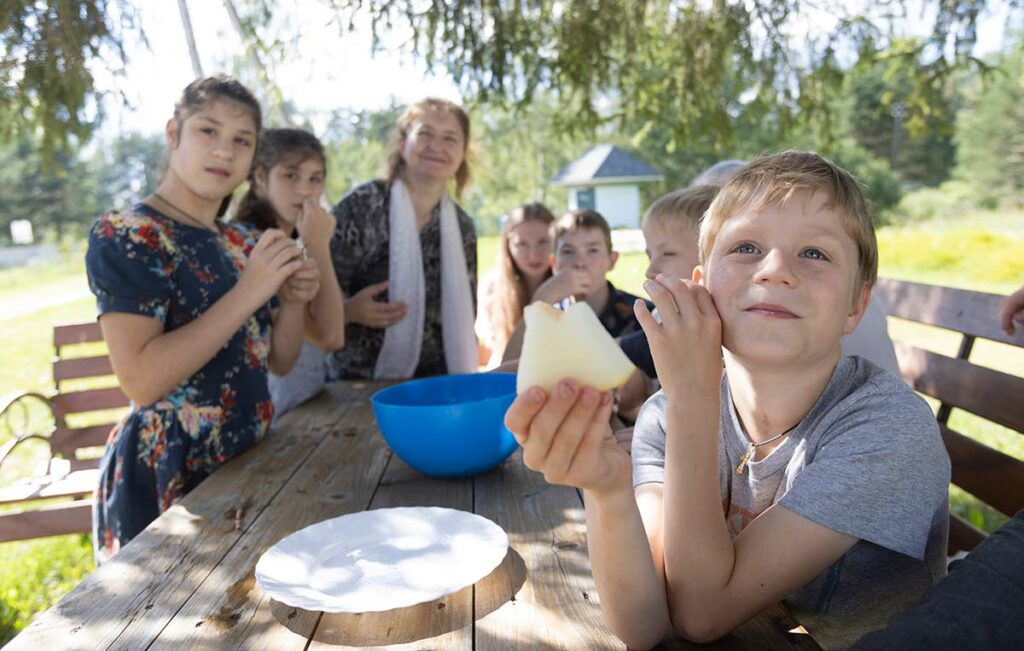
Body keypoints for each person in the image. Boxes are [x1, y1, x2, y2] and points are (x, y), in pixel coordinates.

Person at [505, 151, 950, 649]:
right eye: (746, 247)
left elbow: (700, 615)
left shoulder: (886, 429)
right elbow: (647, 624)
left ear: (856, 306)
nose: (776, 270)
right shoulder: (666, 414)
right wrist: (607, 491)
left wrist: (690, 400)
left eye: (815, 254)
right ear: (701, 286)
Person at [85, 75, 318, 561]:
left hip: (249, 456)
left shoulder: (242, 241)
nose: (223, 151)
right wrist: (251, 290)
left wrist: (291, 300)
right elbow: (142, 381)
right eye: (207, 131)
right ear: (174, 134)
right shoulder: (129, 234)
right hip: (168, 476)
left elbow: (279, 360)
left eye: (241, 140)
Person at [326, 97, 477, 380]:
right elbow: (315, 295)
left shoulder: (463, 227)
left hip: (437, 384)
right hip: (355, 384)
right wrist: (348, 311)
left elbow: (467, 313)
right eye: (425, 134)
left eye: (450, 138)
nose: (437, 147)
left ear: (462, 153)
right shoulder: (362, 206)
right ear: (401, 143)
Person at [233, 128, 346, 418]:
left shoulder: (286, 241)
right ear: (259, 177)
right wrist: (317, 244)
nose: (305, 191)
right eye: (291, 176)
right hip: (270, 414)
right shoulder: (256, 244)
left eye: (315, 179)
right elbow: (329, 335)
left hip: (299, 406)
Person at [500, 208, 650, 362]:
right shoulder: (549, 317)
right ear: (554, 264)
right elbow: (506, 372)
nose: (580, 262)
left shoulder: (642, 314)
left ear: (612, 260)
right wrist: (540, 299)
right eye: (568, 251)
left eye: (592, 250)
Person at [476, 202, 555, 367]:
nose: (533, 254)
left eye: (543, 242)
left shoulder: (569, 288)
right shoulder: (492, 287)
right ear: (508, 246)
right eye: (522, 244)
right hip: (507, 378)